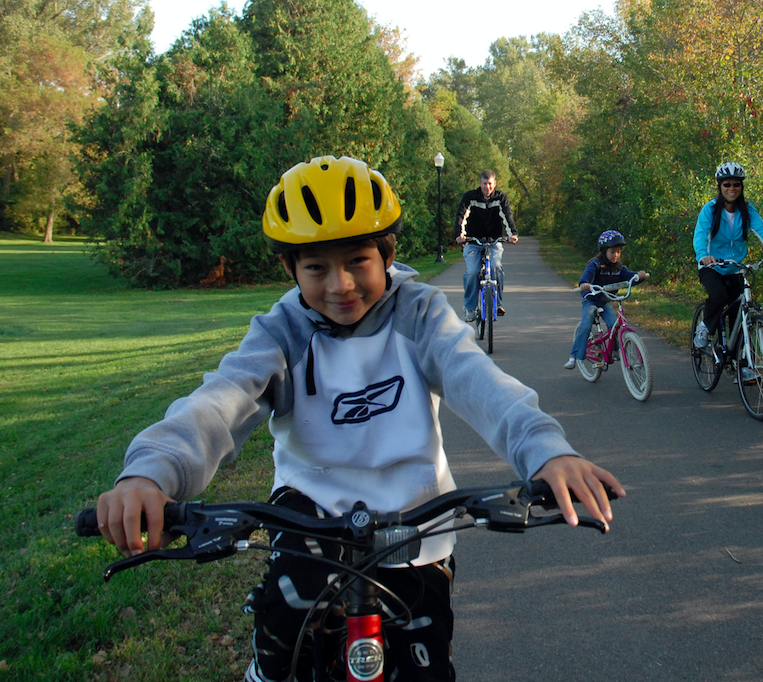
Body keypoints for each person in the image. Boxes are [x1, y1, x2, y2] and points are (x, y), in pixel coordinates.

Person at [94, 156, 625, 682]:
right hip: (310, 511)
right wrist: (152, 472)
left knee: (427, 662)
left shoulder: (418, 314)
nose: (340, 285)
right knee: (287, 623)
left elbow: (480, 382)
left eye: (357, 261)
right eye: (316, 267)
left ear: (387, 255)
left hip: (417, 516)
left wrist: (547, 450)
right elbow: (219, 404)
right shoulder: (281, 332)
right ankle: (267, 670)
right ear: (290, 269)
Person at [692, 162, 763, 364]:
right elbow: (700, 235)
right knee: (718, 296)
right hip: (711, 266)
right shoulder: (710, 210)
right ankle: (705, 328)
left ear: (741, 187)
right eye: (727, 184)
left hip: (736, 267)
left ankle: (742, 364)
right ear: (720, 186)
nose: (732, 189)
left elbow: (762, 232)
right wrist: (703, 255)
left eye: (736, 184)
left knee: (740, 314)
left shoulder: (748, 210)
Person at [564, 230, 649, 370]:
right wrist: (585, 284)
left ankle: (616, 351)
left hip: (605, 300)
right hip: (591, 300)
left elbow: (629, 277)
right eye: (612, 252)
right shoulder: (596, 265)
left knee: (614, 325)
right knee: (585, 326)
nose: (615, 255)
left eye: (618, 252)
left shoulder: (619, 268)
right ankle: (573, 356)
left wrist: (639, 276)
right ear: (604, 251)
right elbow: (586, 277)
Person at [454, 169, 518, 321]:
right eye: (484, 184)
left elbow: (507, 215)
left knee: (496, 266)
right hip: (473, 241)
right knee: (473, 271)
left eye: (490, 184)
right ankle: (470, 308)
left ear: (494, 183)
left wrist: (512, 234)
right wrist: (460, 235)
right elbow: (461, 215)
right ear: (480, 183)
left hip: (494, 241)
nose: (487, 187)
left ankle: (497, 304)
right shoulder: (470, 197)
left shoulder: (500, 198)